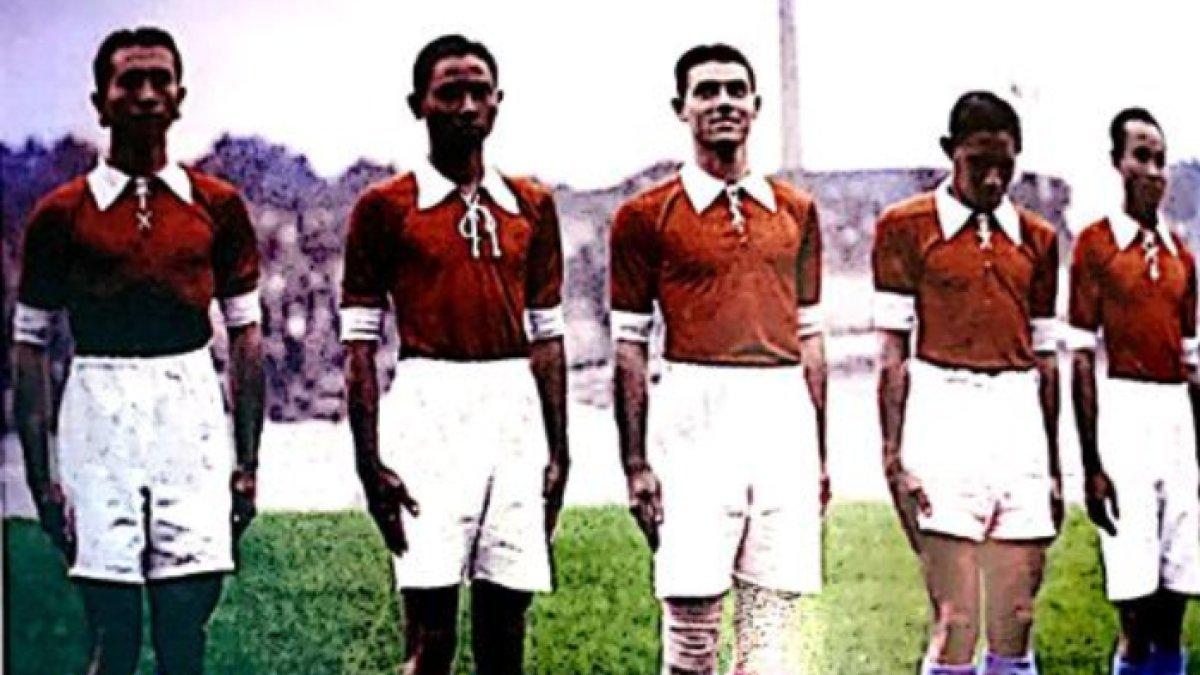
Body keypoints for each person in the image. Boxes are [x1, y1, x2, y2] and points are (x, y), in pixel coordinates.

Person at [12, 26, 263, 674]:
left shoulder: (218, 206)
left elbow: (246, 335)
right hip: (99, 409)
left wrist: (246, 462)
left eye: (160, 81)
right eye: (130, 81)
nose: (147, 95)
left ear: (179, 98)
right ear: (101, 102)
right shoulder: (61, 215)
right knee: (113, 631)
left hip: (189, 409)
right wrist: (41, 479)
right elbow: (31, 346)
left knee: (185, 628)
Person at [340, 34, 569, 674]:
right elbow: (359, 350)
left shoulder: (532, 205)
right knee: (431, 636)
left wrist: (559, 452)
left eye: (479, 92)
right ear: (419, 103)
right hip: (428, 408)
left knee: (505, 629)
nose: (467, 107)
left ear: (498, 101)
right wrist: (369, 463)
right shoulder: (384, 208)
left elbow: (548, 339)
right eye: (450, 93)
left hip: (513, 413)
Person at [610, 43, 828, 674]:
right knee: (692, 628)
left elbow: (812, 343)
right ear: (681, 108)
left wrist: (819, 454)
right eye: (707, 91)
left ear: (756, 105)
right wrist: (635, 464)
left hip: (782, 414)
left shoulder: (797, 211)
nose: (724, 102)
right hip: (694, 415)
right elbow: (629, 349)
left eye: (736, 90)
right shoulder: (645, 216)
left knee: (772, 636)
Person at [872, 91, 1062, 675]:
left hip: (1017, 419)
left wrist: (1054, 466)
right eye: (979, 164)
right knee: (956, 621)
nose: (993, 179)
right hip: (943, 414)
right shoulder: (905, 227)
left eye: (1005, 165)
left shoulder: (1038, 239)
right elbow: (892, 354)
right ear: (949, 152)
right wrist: (893, 456)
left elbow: (1046, 360)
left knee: (1017, 617)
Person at [1066, 107, 1199, 675]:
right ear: (1117, 163)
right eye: (1141, 157)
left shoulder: (1181, 256)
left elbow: (1193, 365)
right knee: (1136, 603)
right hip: (1123, 412)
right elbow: (1079, 357)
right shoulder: (1095, 245)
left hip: (1176, 421)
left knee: (1176, 595)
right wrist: (1092, 465)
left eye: (1160, 159)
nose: (1153, 172)